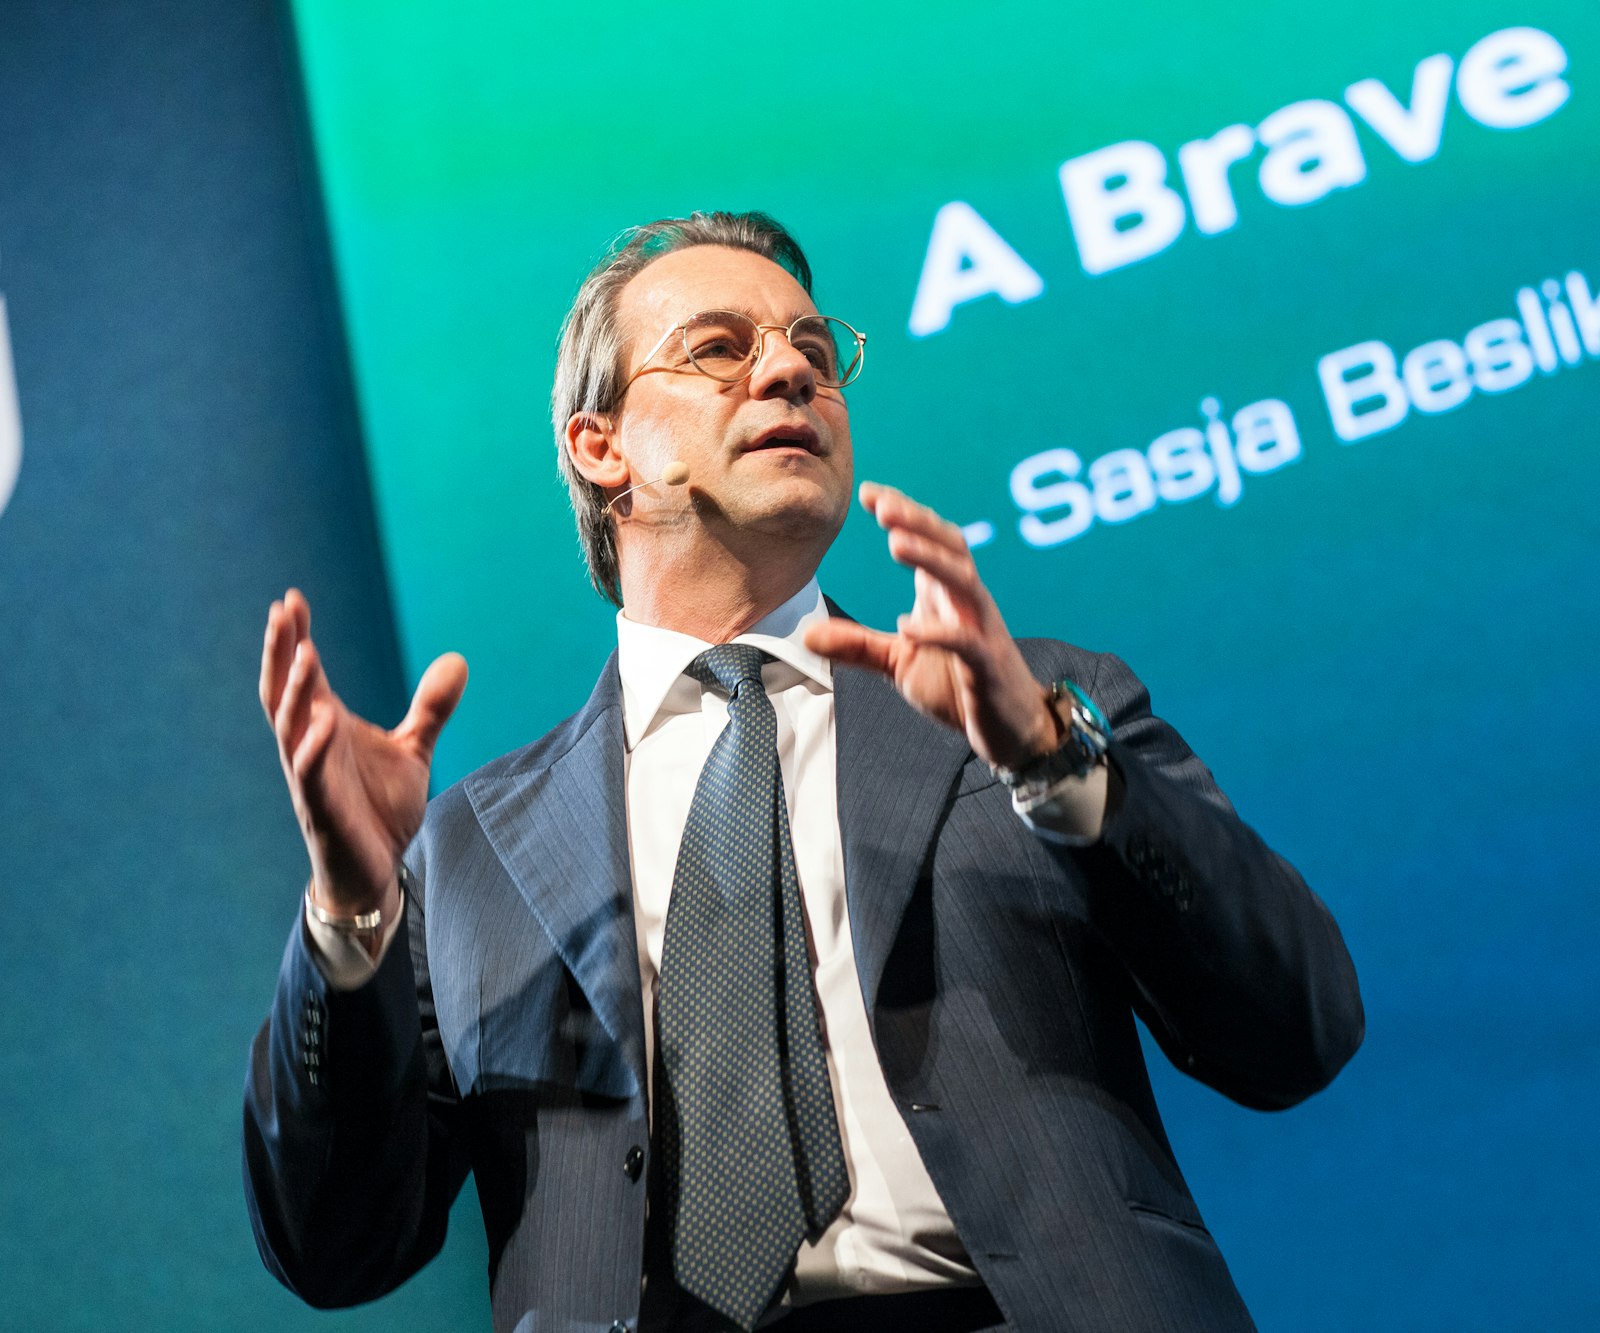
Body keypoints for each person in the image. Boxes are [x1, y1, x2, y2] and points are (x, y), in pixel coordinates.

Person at [242, 212, 1362, 1332]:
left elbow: (1296, 1027)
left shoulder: (1037, 706)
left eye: (814, 352)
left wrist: (1052, 758)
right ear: (599, 445)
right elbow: (332, 1244)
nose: (788, 372)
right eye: (718, 348)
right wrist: (349, 913)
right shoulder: (467, 852)